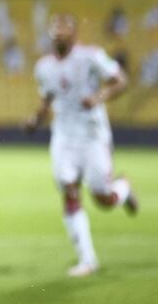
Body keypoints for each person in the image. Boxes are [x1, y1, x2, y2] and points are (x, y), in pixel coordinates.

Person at [25, 14, 138, 277]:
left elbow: (120, 80)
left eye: (64, 29)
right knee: (69, 189)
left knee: (102, 198)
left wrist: (99, 97)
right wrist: (34, 120)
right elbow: (47, 100)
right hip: (63, 137)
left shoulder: (91, 56)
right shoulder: (43, 67)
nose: (58, 33)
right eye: (55, 29)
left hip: (92, 136)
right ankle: (88, 259)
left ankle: (122, 188)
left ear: (74, 34)